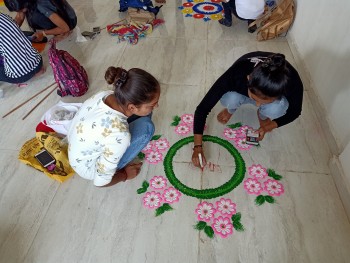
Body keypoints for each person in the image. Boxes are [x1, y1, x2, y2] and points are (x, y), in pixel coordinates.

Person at [192, 51, 303, 168]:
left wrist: (267, 127)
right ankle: (232, 109)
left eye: (264, 102)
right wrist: (197, 146)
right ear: (248, 78)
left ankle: (263, 115)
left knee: (277, 108)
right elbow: (202, 109)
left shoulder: (291, 82)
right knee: (230, 99)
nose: (257, 104)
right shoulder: (236, 73)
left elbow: (295, 112)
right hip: (240, 91)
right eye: (254, 98)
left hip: (266, 94)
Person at [67, 67, 160, 187]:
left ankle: (144, 110)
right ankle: (118, 164)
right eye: (153, 104)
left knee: (147, 113)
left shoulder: (106, 94)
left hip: (78, 150)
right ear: (131, 107)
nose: (157, 105)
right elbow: (100, 183)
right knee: (146, 128)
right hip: (90, 168)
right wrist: (124, 175)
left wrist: (148, 108)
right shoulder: (120, 135)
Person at [0, 12, 44, 84]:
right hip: (38, 62)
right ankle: (33, 70)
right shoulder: (3, 15)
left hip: (21, 75)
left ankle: (24, 73)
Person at [4, 0, 77, 42]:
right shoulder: (25, 2)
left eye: (21, 9)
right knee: (32, 15)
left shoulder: (41, 4)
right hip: (58, 14)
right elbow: (19, 16)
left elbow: (65, 28)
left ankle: (60, 32)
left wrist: (43, 33)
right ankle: (55, 27)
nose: (20, 12)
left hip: (69, 21)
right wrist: (10, 32)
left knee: (36, 18)